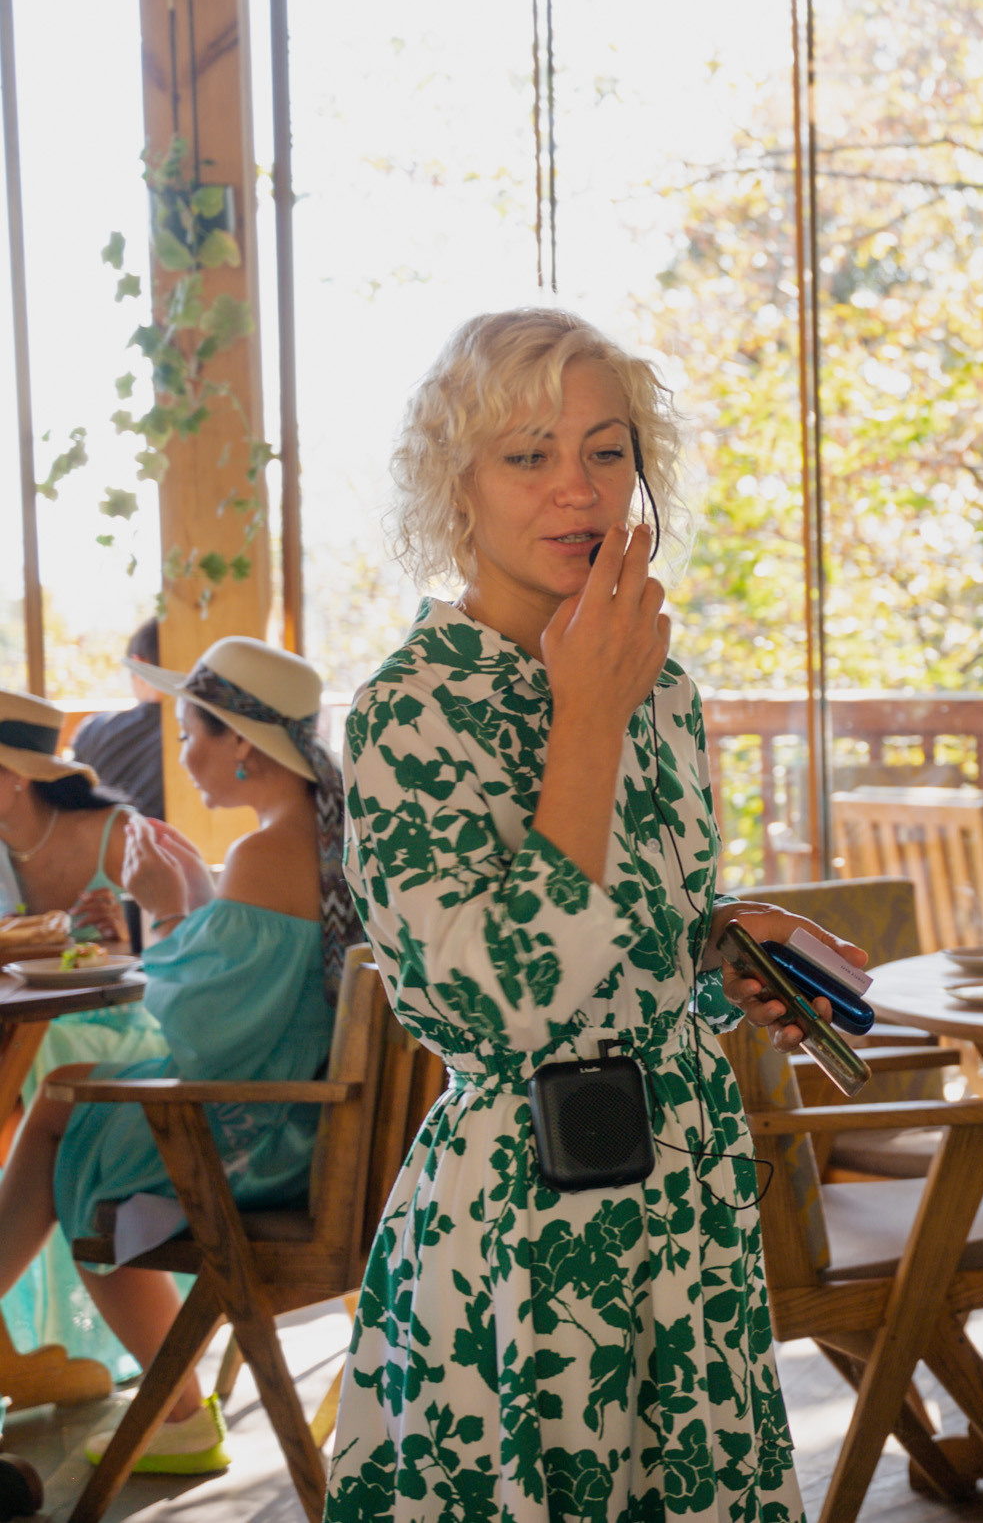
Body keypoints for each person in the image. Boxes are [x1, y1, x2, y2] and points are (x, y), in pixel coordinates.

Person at [325, 310, 835, 1521]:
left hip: (687, 1203)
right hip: (525, 1234)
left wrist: (729, 950)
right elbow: (494, 1008)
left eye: (607, 451)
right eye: (529, 453)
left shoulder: (659, 681)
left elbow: (632, 959)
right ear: (455, 484)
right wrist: (587, 715)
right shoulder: (410, 712)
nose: (578, 489)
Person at [0, 637, 352, 1473]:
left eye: (193, 732)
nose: (182, 753)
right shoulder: (317, 837)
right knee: (65, 1099)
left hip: (267, 1140)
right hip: (318, 1126)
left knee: (68, 1125)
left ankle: (183, 1416)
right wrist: (194, 907)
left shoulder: (270, 852)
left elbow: (187, 1031)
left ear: (240, 743)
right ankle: (180, 1411)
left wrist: (168, 911)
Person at [0, 690, 172, 1382]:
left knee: (49, 1069)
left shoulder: (118, 831)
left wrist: (126, 932)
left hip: (124, 1024)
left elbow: (182, 953)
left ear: (15, 778)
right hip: (28, 1026)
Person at [67, 620, 168, 822]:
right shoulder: (198, 733)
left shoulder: (94, 728)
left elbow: (67, 805)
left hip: (94, 848)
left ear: (140, 666)